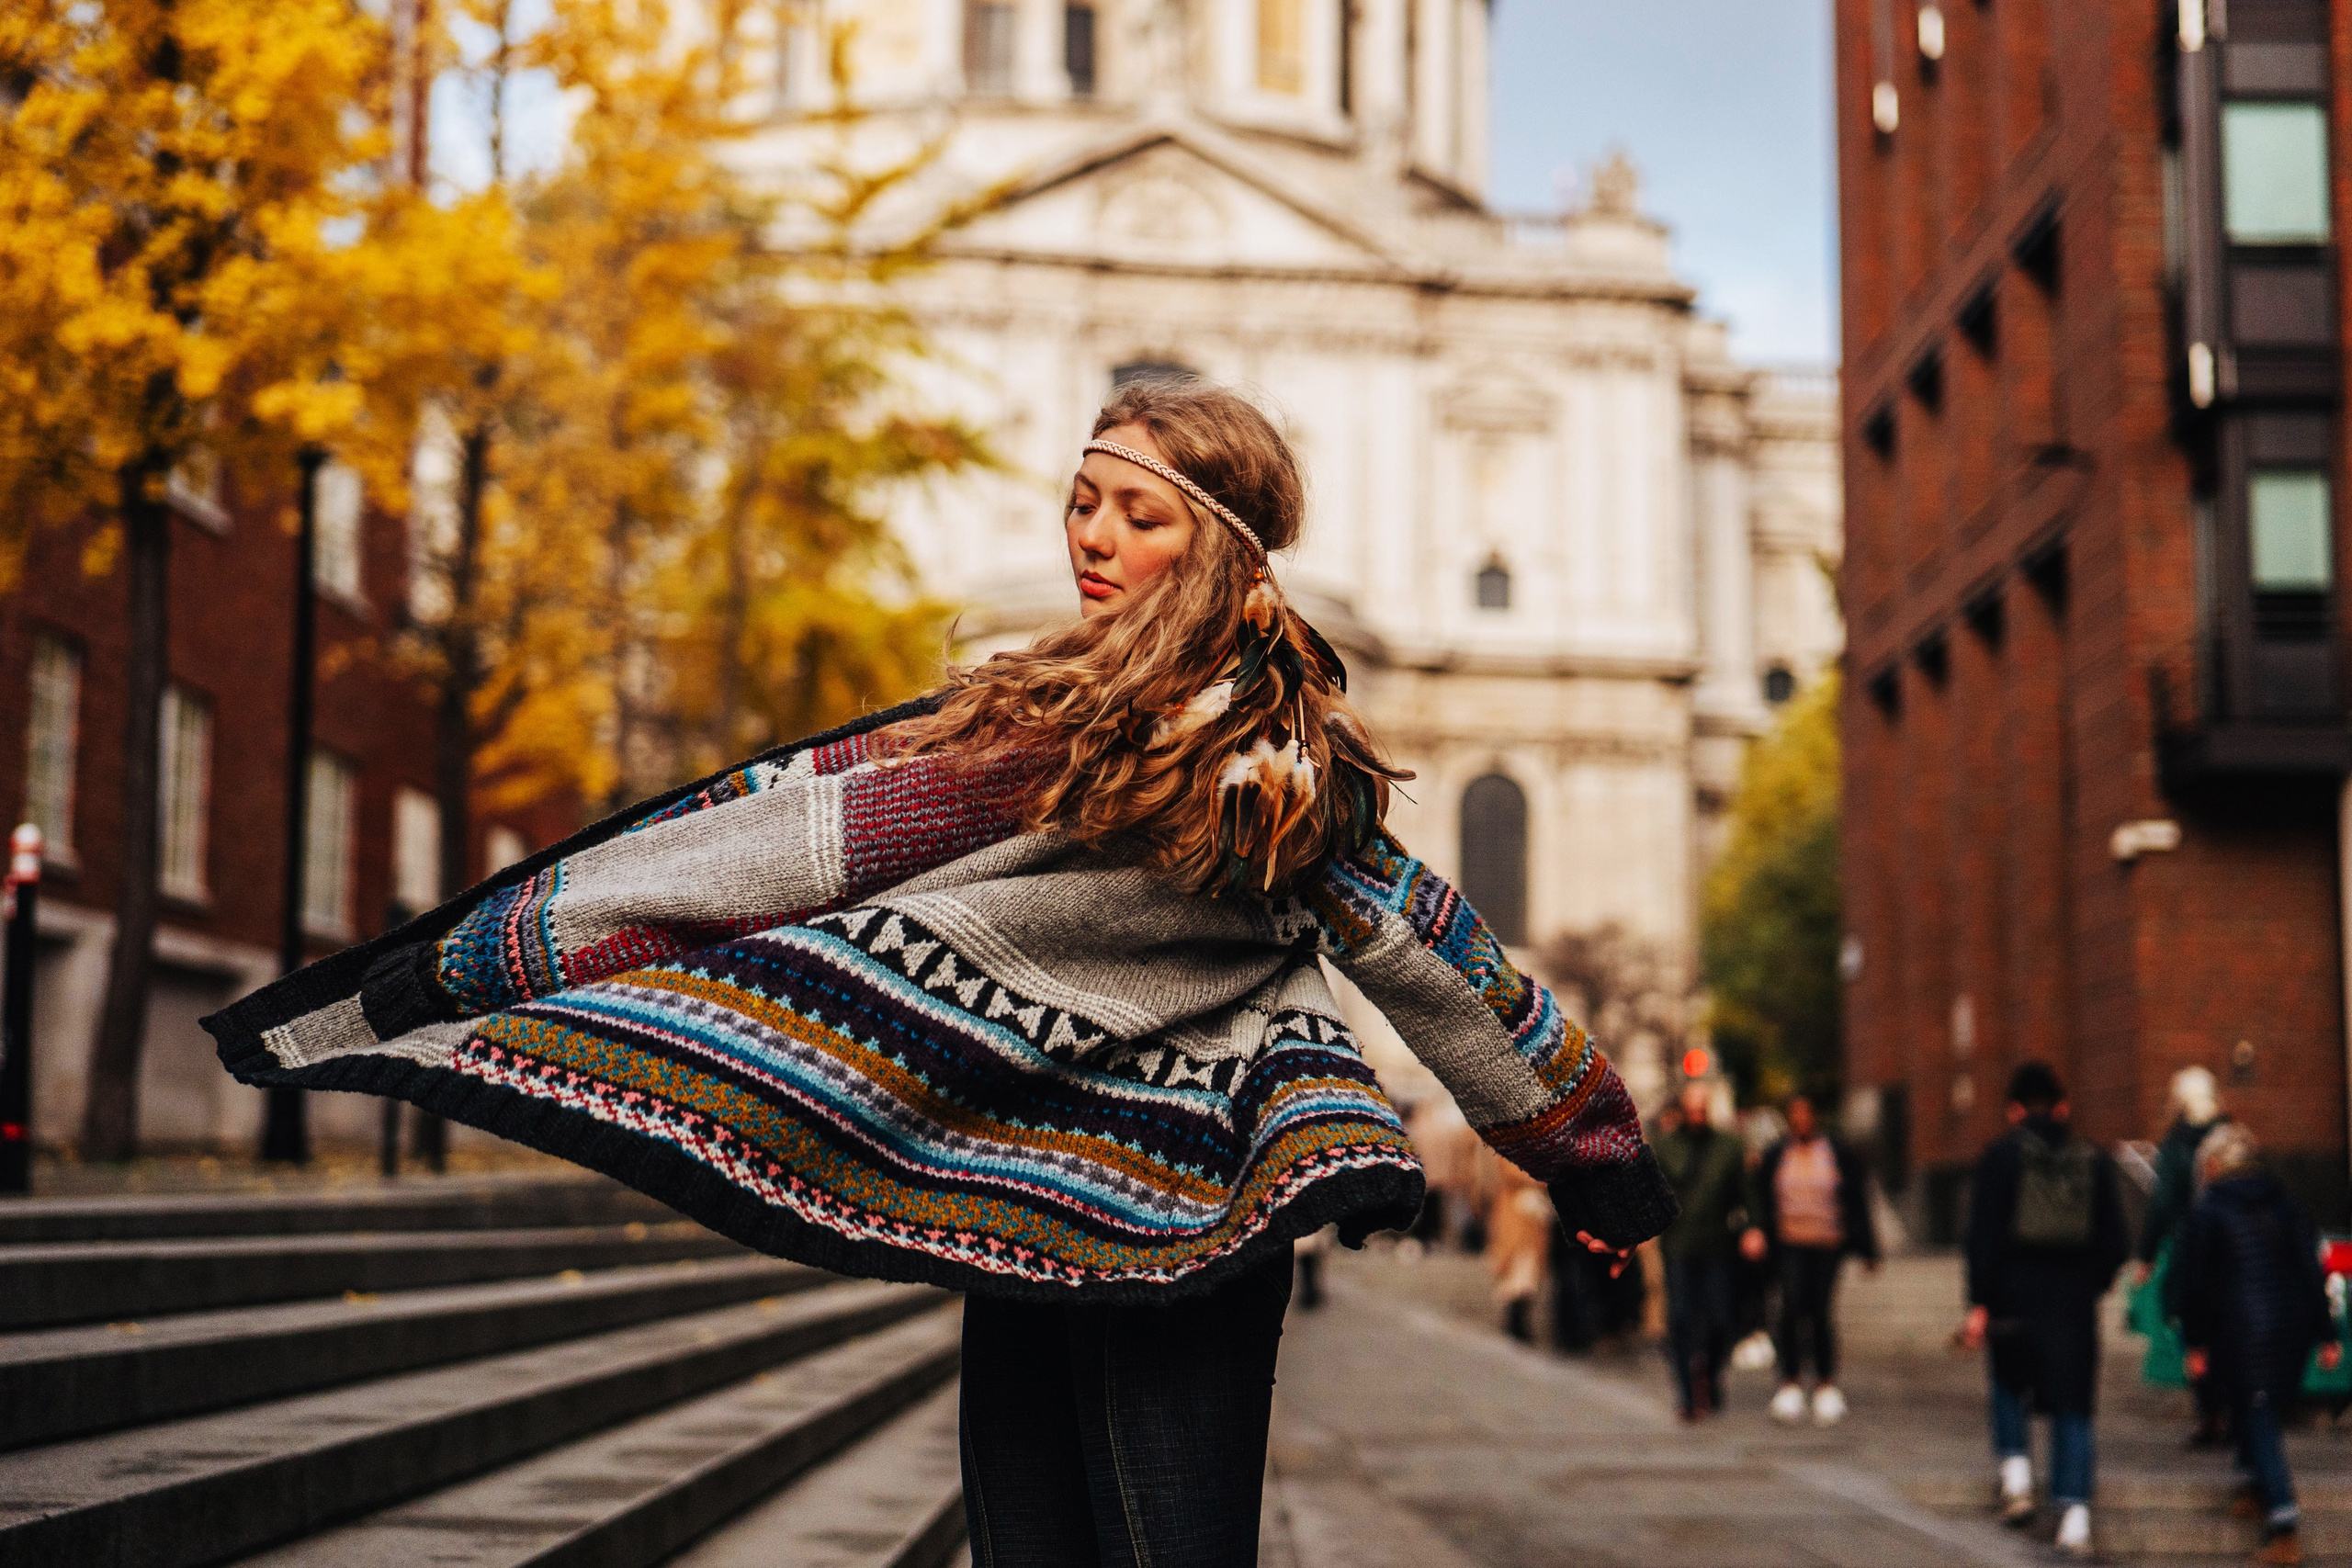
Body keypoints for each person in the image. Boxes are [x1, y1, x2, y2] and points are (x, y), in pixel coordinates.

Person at [209, 376, 1679, 1568]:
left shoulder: (1257, 768)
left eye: (1135, 512)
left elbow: (1441, 964)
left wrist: (1597, 1162)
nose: (1091, 535)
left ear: (1216, 544)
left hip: (1165, 1219)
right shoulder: (1089, 737)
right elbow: (779, 843)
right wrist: (460, 970)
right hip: (1033, 1203)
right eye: (1083, 499)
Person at [1959, 1062, 2130, 1559]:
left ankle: (2016, 1478)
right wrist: (2089, 1284)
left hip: (2013, 1298)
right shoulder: (2093, 1160)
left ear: (2014, 1110)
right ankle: (2074, 1515)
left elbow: (1981, 1237)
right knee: (2073, 1406)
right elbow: (2114, 1243)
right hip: (2073, 1305)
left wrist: (1980, 1301)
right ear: (2063, 1106)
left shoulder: (1999, 1157)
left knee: (2009, 1384)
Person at [2171, 1123, 2341, 1567]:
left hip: (2242, 1329)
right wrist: (2326, 1334)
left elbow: (2196, 1283)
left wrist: (2195, 1341)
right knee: (2255, 1405)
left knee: (2257, 1412)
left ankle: (2283, 1523)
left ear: (2212, 1165)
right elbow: (2311, 1268)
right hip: (2293, 1328)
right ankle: (2251, 1485)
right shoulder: (2287, 1200)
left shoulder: (2209, 1208)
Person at [1753, 1092, 1880, 1426]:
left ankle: (1826, 1382)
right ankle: (1789, 1381)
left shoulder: (1836, 1152)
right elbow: (1761, 1196)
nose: (1801, 1121)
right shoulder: (1777, 1154)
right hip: (1789, 1242)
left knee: (1821, 1312)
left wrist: (1868, 1249)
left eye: (1805, 1114)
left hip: (1827, 1243)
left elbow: (1856, 1198)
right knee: (1791, 1308)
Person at [1654, 1077, 1764, 1420]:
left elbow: (1747, 1194)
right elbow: (1653, 1194)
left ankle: (1710, 1375)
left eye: (1703, 1107)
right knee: (1682, 1318)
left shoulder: (1729, 1148)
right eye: (1692, 1107)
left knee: (1721, 1319)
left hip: (1718, 1245)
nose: (1698, 1113)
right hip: (1678, 1245)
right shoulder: (1666, 1147)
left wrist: (1753, 1229)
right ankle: (1687, 1394)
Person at [2136, 1064, 2232, 1446]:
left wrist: (2146, 1255)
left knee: (2191, 1324)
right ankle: (2230, 1409)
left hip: (2190, 1248)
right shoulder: (2230, 1138)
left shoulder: (2176, 1145)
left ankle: (2211, 1411)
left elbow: (2161, 1204)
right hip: (2233, 1248)